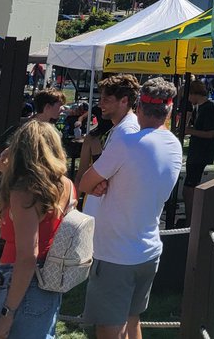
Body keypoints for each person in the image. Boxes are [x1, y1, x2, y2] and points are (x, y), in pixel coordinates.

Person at [79, 77, 182, 339]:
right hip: (147, 250)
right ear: (168, 110)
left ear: (138, 107)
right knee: (132, 320)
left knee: (108, 328)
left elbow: (85, 182)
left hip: (116, 254)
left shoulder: (127, 143)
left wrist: (102, 183)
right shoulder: (174, 144)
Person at [0, 121, 75, 339]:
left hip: (19, 278)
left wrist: (8, 313)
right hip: (49, 276)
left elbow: (27, 255)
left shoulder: (24, 192)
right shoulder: (65, 184)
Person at [79, 75, 141, 218]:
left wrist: (97, 182)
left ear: (124, 101)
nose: (100, 104)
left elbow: (87, 182)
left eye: (106, 100)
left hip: (109, 221)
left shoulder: (127, 131)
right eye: (100, 99)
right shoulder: (121, 128)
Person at [0, 90, 66, 172]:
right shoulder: (21, 127)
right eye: (60, 105)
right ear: (47, 107)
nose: (63, 109)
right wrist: (11, 175)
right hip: (22, 184)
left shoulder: (54, 131)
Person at [182, 80, 214, 220]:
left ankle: (191, 220)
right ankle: (190, 218)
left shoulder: (208, 108)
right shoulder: (198, 108)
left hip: (201, 153)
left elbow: (211, 133)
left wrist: (190, 131)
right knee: (189, 188)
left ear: (193, 94)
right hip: (195, 152)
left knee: (189, 189)